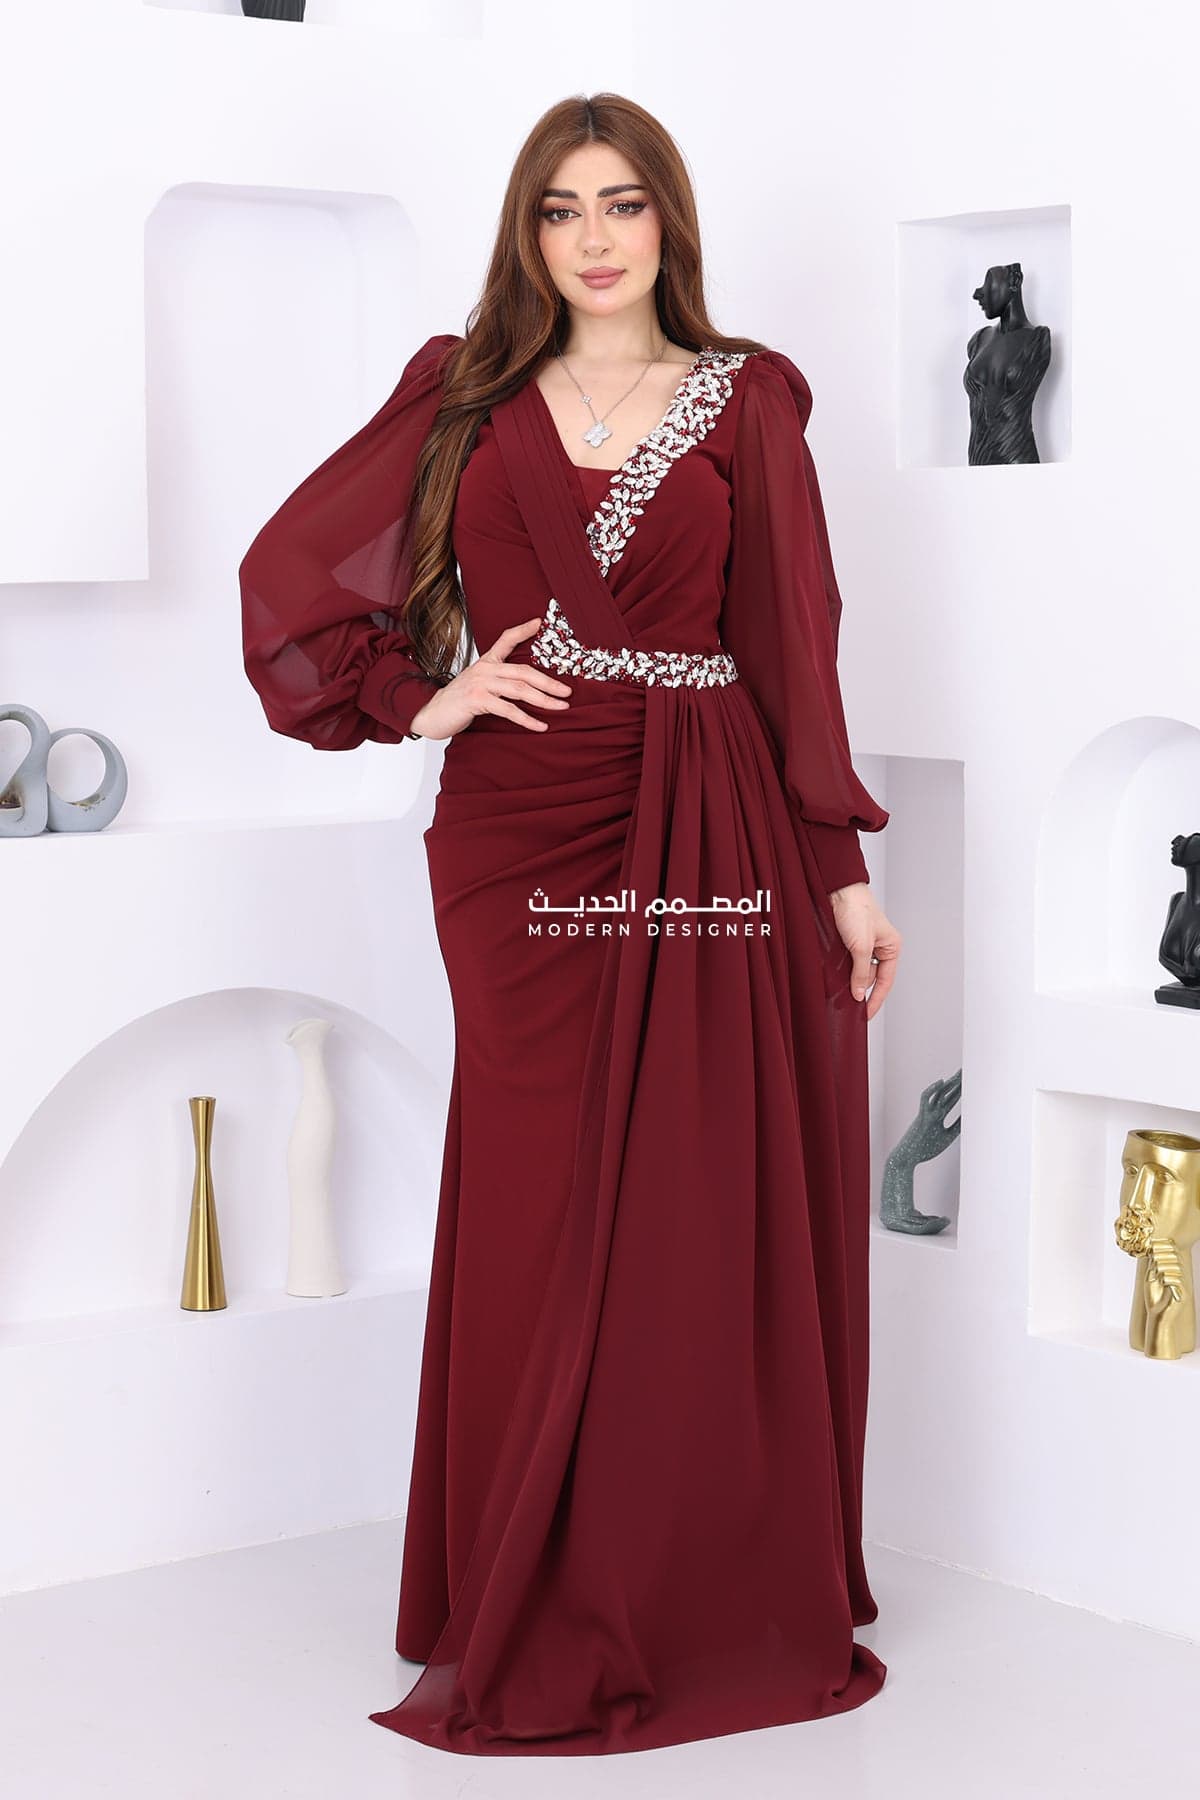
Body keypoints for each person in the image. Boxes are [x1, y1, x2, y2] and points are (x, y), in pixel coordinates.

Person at [239, 90, 903, 1758]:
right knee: (539, 1203)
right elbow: (294, 583)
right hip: (519, 842)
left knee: (691, 1197)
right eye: (559, 209)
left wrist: (841, 873)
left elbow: (794, 646)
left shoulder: (749, 398)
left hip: (710, 814)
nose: (594, 239)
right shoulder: (461, 391)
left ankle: (679, 1587)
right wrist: (424, 696)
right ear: (526, 234)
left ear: (668, 219)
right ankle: (522, 1580)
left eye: (622, 203)